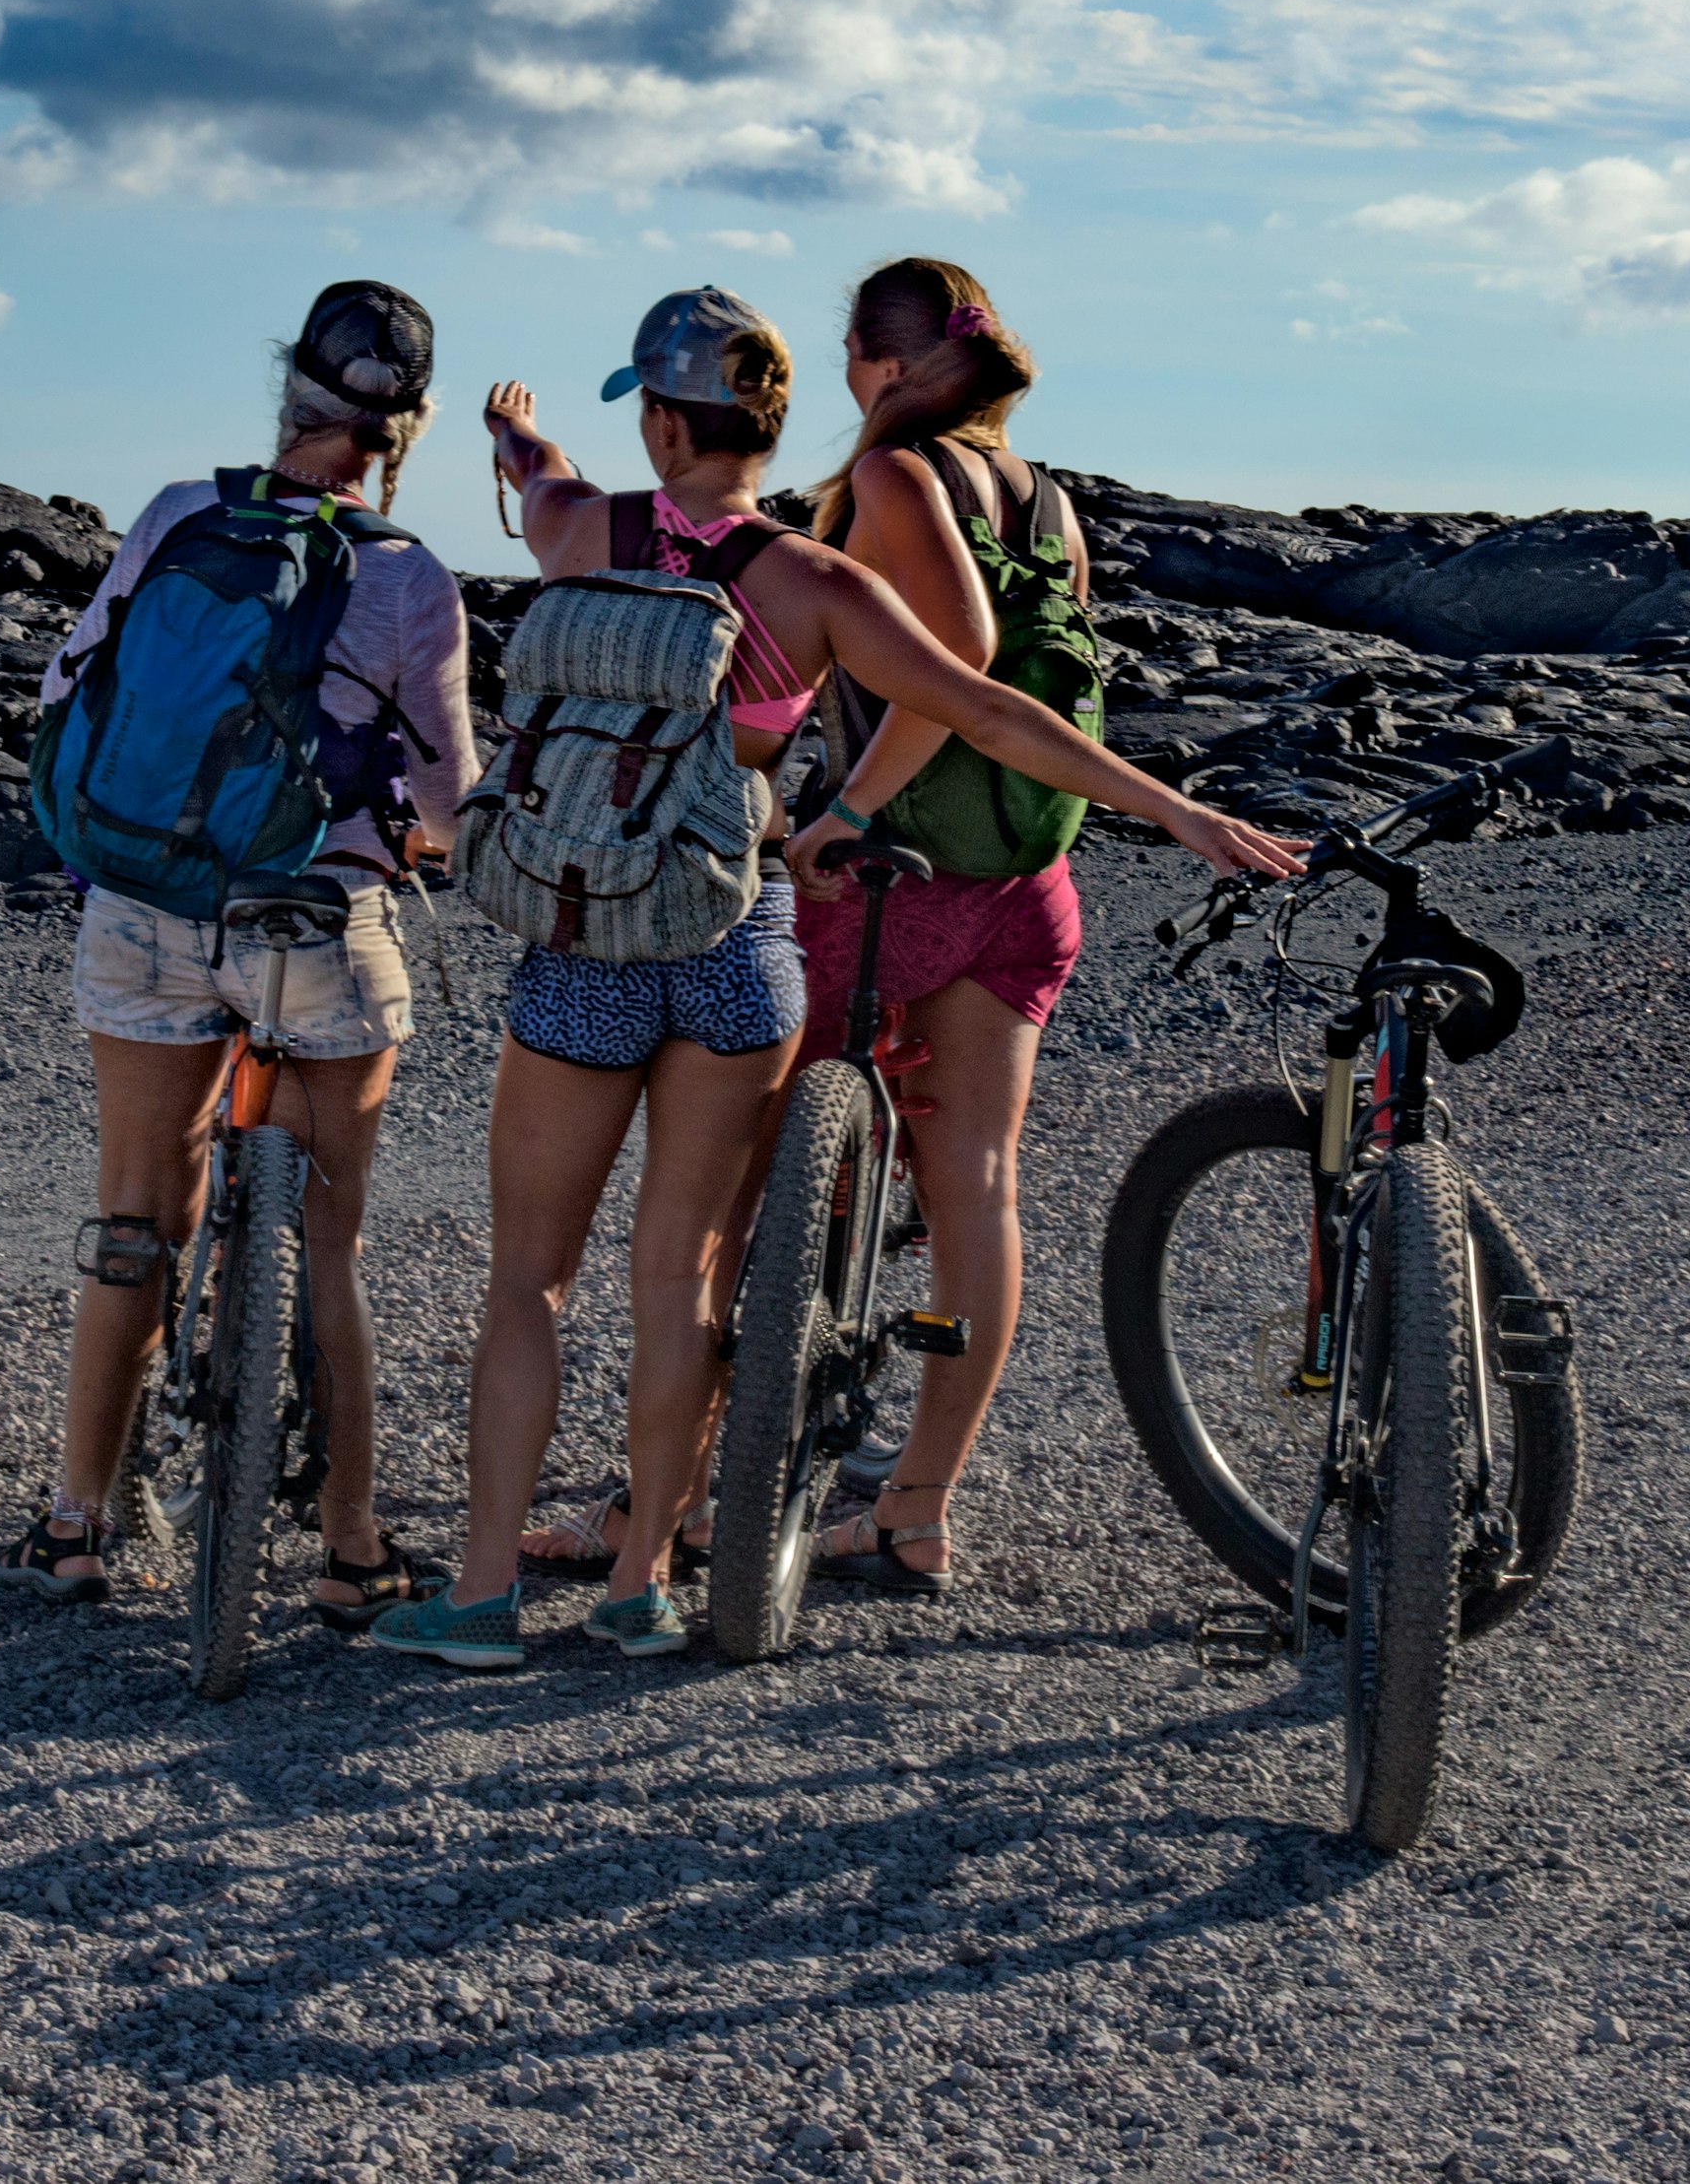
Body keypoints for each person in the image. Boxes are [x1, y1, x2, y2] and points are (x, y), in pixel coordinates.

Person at [369, 289, 1301, 1671]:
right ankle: (641, 1584)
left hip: (586, 941)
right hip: (733, 936)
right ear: (768, 424)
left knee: (530, 1284)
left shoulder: (584, 535)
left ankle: (487, 1595)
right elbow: (986, 705)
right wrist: (1169, 810)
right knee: (687, 1270)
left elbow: (547, 486)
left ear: (667, 420)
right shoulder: (812, 583)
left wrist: (521, 443)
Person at [0, 281, 478, 1622]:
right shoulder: (406, 576)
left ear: (288, 390)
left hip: (144, 911)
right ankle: (352, 1546)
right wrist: (418, 844)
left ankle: (78, 1520)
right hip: (317, 926)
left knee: (136, 1212)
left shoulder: (174, 516)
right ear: (405, 425)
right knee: (327, 1242)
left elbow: (64, 689)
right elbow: (444, 801)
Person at [766, 255, 1100, 1594]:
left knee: (745, 1162)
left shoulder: (900, 480)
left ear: (884, 363)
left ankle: (685, 1485)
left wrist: (844, 808)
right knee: (979, 1181)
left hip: (898, 880)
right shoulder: (1049, 498)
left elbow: (950, 673)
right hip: (1028, 884)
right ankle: (916, 1503)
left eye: (851, 352)